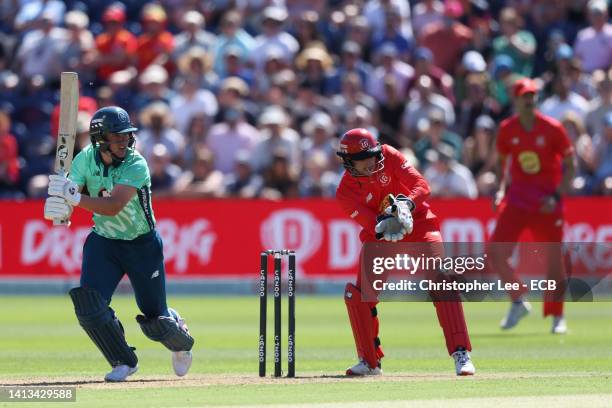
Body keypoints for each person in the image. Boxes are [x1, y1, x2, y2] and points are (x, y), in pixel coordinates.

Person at [43, 106, 194, 382]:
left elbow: (112, 206)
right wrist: (58, 206)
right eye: (117, 136)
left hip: (142, 245)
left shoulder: (136, 163)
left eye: (126, 135)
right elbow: (69, 193)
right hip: (104, 243)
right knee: (89, 304)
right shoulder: (84, 160)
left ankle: (181, 343)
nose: (124, 140)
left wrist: (73, 198)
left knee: (156, 321)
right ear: (100, 139)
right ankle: (123, 361)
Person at [335, 128, 475, 376]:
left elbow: (422, 185)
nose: (372, 163)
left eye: (373, 155)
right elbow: (372, 224)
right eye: (364, 160)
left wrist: (406, 205)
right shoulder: (345, 192)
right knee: (359, 294)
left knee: (442, 280)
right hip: (382, 232)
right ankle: (369, 362)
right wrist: (388, 222)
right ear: (349, 162)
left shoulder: (388, 155)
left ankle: (460, 352)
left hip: (419, 223)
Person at [490, 78, 576, 334]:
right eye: (525, 96)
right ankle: (518, 300)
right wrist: (501, 191)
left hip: (546, 204)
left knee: (552, 260)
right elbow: (503, 167)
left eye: (533, 95)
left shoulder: (552, 128)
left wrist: (557, 196)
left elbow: (571, 165)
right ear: (516, 100)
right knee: (496, 252)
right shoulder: (507, 129)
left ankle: (557, 316)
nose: (530, 100)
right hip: (517, 199)